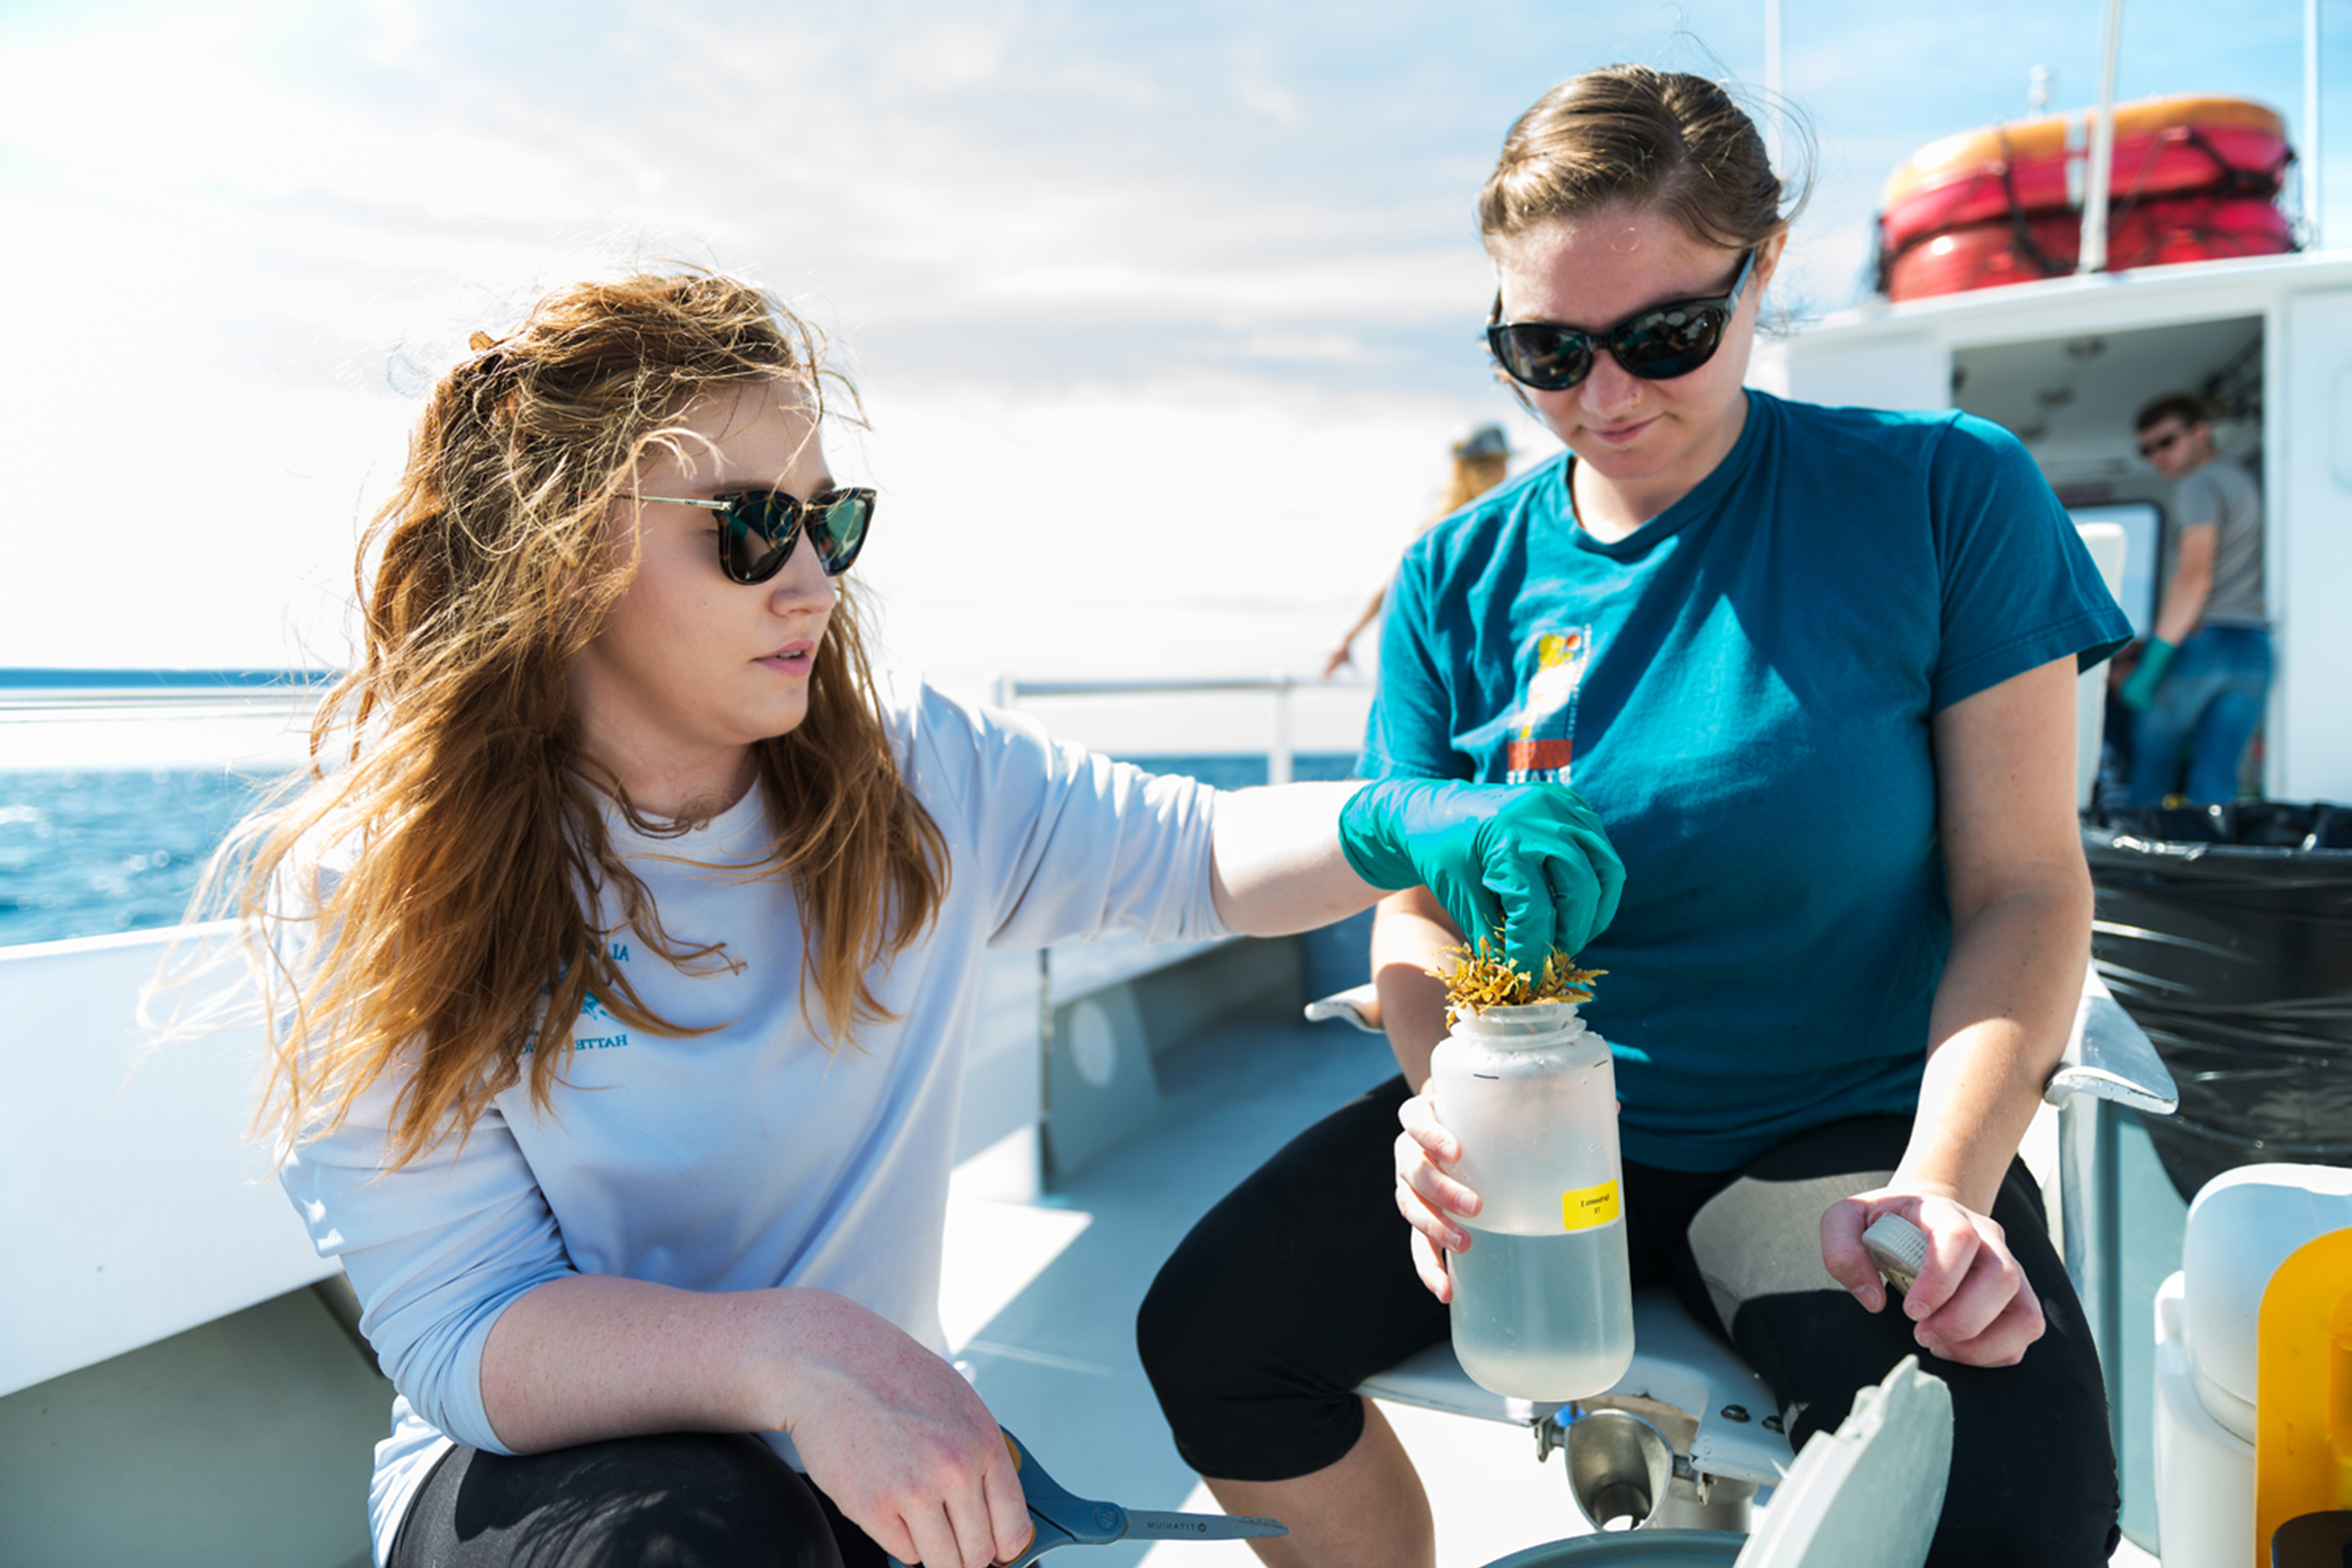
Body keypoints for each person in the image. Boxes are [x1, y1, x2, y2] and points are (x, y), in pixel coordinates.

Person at [219, 273, 1625, 1568]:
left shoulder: (908, 776)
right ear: (562, 556)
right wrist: (791, 1356)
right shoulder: (373, 876)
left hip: (874, 1446)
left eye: (830, 519)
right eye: (753, 528)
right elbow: (459, 1328)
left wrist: (1403, 822)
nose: (814, 579)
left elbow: (1193, 854)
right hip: (561, 1485)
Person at [1137, 65, 2132, 1568]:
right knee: (1210, 1337)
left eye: (1667, 335)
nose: (1602, 399)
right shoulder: (1453, 582)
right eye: (1544, 349)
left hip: (1839, 1128)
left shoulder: (1942, 497)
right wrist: (1440, 1108)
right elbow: (1415, 904)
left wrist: (1945, 1186)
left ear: (1765, 271)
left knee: (2012, 1506)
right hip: (1530, 1117)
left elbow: (2024, 891)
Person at [2119, 392, 2271, 804]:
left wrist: (2151, 664)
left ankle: (2136, 867)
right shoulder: (2241, 480)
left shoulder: (2198, 484)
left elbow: (2193, 577)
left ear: (2200, 431)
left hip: (2205, 644)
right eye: (2147, 449)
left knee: (2149, 776)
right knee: (2217, 782)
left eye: (2166, 442)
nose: (2157, 456)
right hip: (2254, 646)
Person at [1321, 425, 1514, 678]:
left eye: (1501, 463)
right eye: (1489, 465)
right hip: (1454, 656)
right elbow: (1391, 580)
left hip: (1496, 652)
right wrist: (1347, 636)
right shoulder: (1439, 531)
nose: (1500, 472)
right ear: (1466, 468)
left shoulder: (1510, 520)